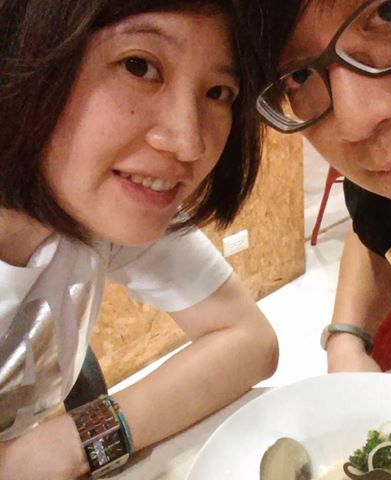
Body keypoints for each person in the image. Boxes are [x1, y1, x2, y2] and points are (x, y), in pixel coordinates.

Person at [0, 1, 278, 478]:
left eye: (217, 92)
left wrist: (71, 443)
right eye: (139, 66)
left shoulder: (92, 208)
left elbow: (250, 340)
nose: (188, 142)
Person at [245, 0, 391, 397]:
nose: (354, 123)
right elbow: (377, 226)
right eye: (298, 75)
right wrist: (346, 338)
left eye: (389, 12)